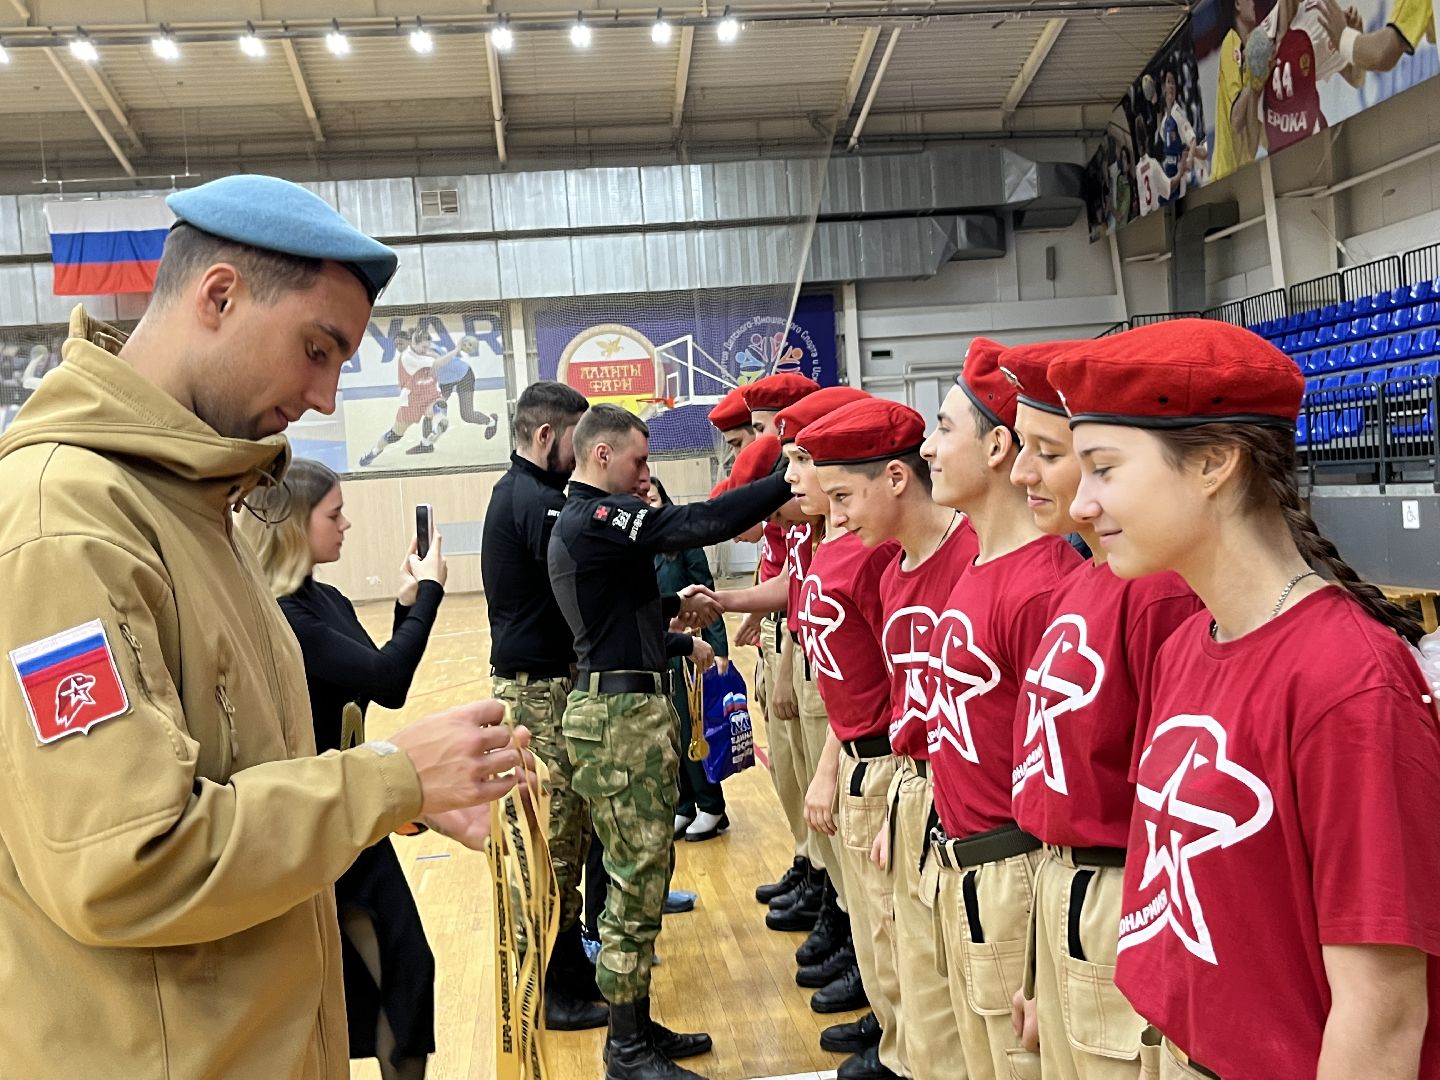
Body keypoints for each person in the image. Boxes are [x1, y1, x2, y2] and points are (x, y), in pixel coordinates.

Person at [0, 173, 527, 1079]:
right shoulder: (69, 523)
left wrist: (402, 797)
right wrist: (384, 784)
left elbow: (245, 777)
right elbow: (126, 861)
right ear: (219, 296)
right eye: (316, 349)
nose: (324, 397)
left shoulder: (201, 506)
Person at [1050, 320, 1440, 1079]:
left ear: (1214, 464)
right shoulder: (1185, 647)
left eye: (1103, 469)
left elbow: (1384, 1013)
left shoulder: (1347, 681)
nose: (1080, 506)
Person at [548, 403, 792, 1080]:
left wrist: (675, 628)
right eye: (638, 461)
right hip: (618, 719)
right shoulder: (596, 517)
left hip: (629, 707)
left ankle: (638, 1025)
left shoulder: (592, 526)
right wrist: (785, 474)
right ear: (600, 456)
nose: (643, 474)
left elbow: (621, 611)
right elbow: (701, 523)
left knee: (647, 870)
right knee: (633, 881)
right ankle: (624, 1050)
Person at [997, 340, 1203, 1080]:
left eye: (1046, 453)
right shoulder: (1089, 580)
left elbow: (1167, 812)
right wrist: (1033, 963)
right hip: (1065, 891)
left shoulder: (1159, 594)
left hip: (1119, 901)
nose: (1021, 473)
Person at [240, 457, 448, 1080]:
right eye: (333, 515)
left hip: (356, 821)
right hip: (316, 823)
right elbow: (388, 674)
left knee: (406, 974)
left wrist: (408, 604)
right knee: (355, 988)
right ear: (294, 526)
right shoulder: (285, 615)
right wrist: (432, 594)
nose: (347, 524)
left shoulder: (325, 599)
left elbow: (384, 685)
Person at [919, 337, 1082, 1080]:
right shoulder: (979, 566)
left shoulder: (1045, 584)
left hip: (1014, 871)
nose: (927, 446)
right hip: (964, 864)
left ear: (995, 444)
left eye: (944, 428)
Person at [806, 396, 979, 1080]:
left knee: (949, 986)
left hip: (959, 805)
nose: (838, 518)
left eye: (845, 497)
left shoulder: (969, 558)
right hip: (909, 790)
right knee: (899, 955)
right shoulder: (898, 568)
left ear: (898, 479)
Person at [480, 378, 607, 1030]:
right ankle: (550, 995)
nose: (585, 457)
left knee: (570, 837)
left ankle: (571, 976)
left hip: (548, 687)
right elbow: (584, 573)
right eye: (578, 443)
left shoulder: (533, 495)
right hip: (533, 694)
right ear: (546, 437)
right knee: (551, 850)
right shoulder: (532, 501)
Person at [737, 372, 825, 913]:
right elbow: (790, 577)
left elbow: (805, 592)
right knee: (794, 768)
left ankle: (825, 887)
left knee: (814, 775)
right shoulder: (800, 523)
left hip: (809, 653)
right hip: (790, 639)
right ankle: (812, 868)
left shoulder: (826, 525)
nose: (762, 445)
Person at [646, 476, 732, 842]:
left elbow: (705, 595)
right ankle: (684, 806)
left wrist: (720, 648)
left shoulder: (683, 544)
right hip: (655, 652)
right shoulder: (635, 546)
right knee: (668, 736)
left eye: (652, 497)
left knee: (692, 730)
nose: (646, 503)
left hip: (688, 652)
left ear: (664, 500)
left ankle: (712, 805)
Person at [359, 329, 444, 465]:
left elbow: (435, 361)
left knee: (438, 407)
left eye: (401, 343)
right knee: (395, 435)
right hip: (411, 401)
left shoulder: (424, 351)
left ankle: (433, 432)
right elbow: (436, 360)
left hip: (429, 394)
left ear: (411, 342)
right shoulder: (407, 357)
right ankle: (374, 451)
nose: (399, 347)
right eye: (396, 344)